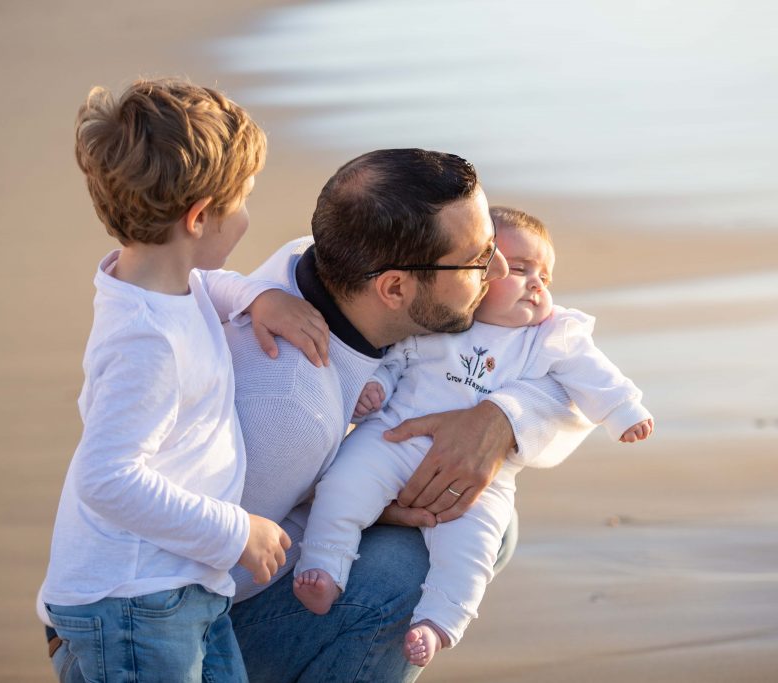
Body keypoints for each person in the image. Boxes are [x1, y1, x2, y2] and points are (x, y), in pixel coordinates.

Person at [217, 150, 598, 682]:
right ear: (394, 288)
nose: (502, 271)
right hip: (203, 627)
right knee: (411, 566)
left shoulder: (337, 265)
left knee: (480, 512)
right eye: (479, 259)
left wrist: (499, 417)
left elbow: (566, 381)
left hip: (274, 547)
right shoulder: (289, 405)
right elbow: (180, 573)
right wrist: (355, 499)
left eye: (493, 245)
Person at [37, 78, 330, 683]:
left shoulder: (159, 282)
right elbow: (107, 477)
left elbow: (206, 289)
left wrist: (254, 298)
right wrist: (235, 531)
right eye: (242, 199)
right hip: (134, 601)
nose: (248, 214)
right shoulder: (146, 341)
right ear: (199, 217)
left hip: (179, 586)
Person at [291, 205, 654, 667]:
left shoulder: (549, 335)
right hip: (395, 436)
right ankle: (323, 564)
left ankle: (440, 620)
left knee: (476, 542)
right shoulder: (442, 319)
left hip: (487, 477)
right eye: (519, 270)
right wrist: (374, 390)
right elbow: (394, 361)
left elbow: (591, 376)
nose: (537, 284)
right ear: (479, 273)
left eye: (546, 276)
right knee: (345, 484)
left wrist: (624, 411)